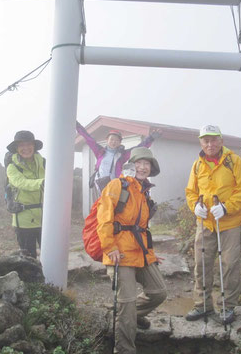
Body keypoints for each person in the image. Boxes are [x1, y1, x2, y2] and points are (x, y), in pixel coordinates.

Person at [97, 147, 167, 354]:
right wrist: (110, 247)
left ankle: (129, 316)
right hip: (119, 253)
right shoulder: (118, 185)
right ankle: (125, 349)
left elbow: (142, 230)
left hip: (140, 252)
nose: (143, 167)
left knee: (159, 292)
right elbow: (104, 218)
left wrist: (150, 255)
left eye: (147, 164)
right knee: (126, 305)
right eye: (140, 163)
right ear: (131, 164)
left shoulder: (145, 192)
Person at [184, 125, 241, 324]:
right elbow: (190, 192)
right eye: (206, 140)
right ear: (200, 142)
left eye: (213, 140)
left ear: (221, 140)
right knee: (201, 264)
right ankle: (202, 305)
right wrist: (195, 206)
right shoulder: (197, 165)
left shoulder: (234, 161)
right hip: (205, 224)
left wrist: (227, 208)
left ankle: (227, 307)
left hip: (229, 222)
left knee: (229, 264)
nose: (209, 144)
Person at [76, 121, 160, 195]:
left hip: (115, 186)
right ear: (107, 140)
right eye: (111, 139)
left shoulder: (122, 155)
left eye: (116, 140)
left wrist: (151, 138)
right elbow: (89, 138)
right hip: (99, 184)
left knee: (113, 209)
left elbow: (138, 148)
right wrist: (77, 126)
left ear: (120, 142)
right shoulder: (100, 151)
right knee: (100, 208)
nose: (113, 142)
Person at [6, 130, 45, 258]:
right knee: (29, 259)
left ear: (34, 146)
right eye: (21, 145)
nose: (26, 148)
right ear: (16, 148)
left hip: (45, 218)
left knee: (50, 254)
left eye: (29, 144)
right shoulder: (12, 167)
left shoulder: (43, 163)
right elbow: (21, 183)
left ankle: (51, 278)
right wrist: (43, 183)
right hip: (23, 221)